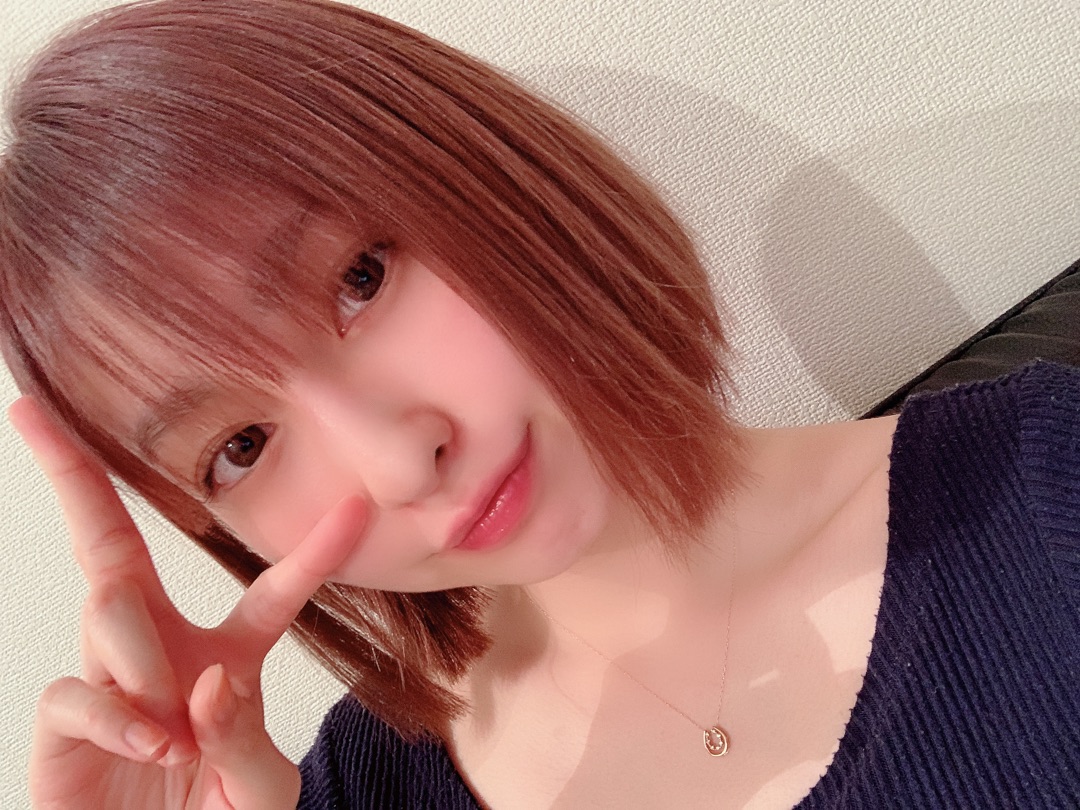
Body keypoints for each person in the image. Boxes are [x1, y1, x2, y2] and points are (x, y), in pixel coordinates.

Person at [2, 0, 1078, 807]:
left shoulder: (1049, 489)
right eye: (241, 446)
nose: (398, 461)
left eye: (358, 280)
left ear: (480, 169)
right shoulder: (339, 796)